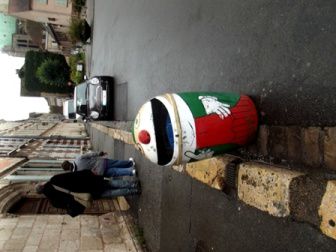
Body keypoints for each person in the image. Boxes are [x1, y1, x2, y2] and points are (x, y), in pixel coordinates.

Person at [35, 170, 140, 217]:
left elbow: (71, 208)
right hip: (88, 183)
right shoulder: (54, 180)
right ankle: (133, 185)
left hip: (89, 195)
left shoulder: (54, 202)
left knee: (111, 193)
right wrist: (88, 173)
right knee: (111, 183)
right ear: (42, 185)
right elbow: (74, 175)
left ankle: (134, 191)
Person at [61, 151, 136, 177]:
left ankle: (131, 172)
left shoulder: (76, 174)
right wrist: (100, 153)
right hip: (101, 163)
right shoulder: (78, 159)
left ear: (67, 170)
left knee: (116, 172)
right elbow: (90, 155)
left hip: (99, 173)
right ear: (69, 162)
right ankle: (131, 163)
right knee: (117, 163)